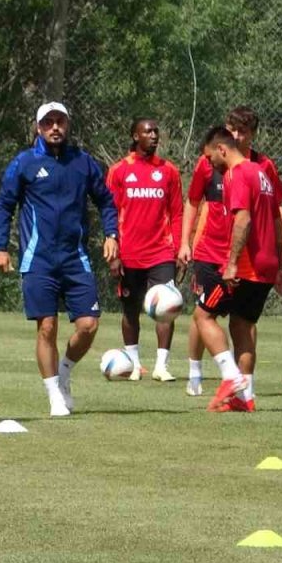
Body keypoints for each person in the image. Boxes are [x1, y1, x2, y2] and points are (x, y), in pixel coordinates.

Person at [0, 102, 118, 416]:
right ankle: (53, 396)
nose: (55, 127)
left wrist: (111, 234)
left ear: (68, 124)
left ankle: (63, 374)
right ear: (38, 127)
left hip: (75, 258)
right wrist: (0, 247)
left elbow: (106, 201)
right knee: (47, 327)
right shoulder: (24, 162)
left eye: (60, 121)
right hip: (38, 260)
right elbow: (4, 206)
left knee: (89, 325)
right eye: (48, 122)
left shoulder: (83, 162)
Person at [177, 106, 282, 398]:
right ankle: (246, 396)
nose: (208, 162)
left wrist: (231, 264)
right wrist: (278, 264)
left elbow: (243, 220)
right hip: (263, 266)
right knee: (243, 324)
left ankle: (231, 378)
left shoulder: (239, 174)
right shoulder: (259, 173)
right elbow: (275, 220)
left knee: (203, 315)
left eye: (209, 156)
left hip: (242, 266)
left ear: (221, 150)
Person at [106, 117, 182, 382]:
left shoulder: (169, 171)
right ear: (135, 136)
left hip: (162, 252)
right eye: (148, 131)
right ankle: (135, 364)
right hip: (129, 253)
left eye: (156, 131)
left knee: (167, 307)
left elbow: (178, 213)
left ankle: (162, 365)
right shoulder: (119, 171)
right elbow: (110, 213)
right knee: (130, 310)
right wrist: (113, 252)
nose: (154, 135)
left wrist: (181, 247)